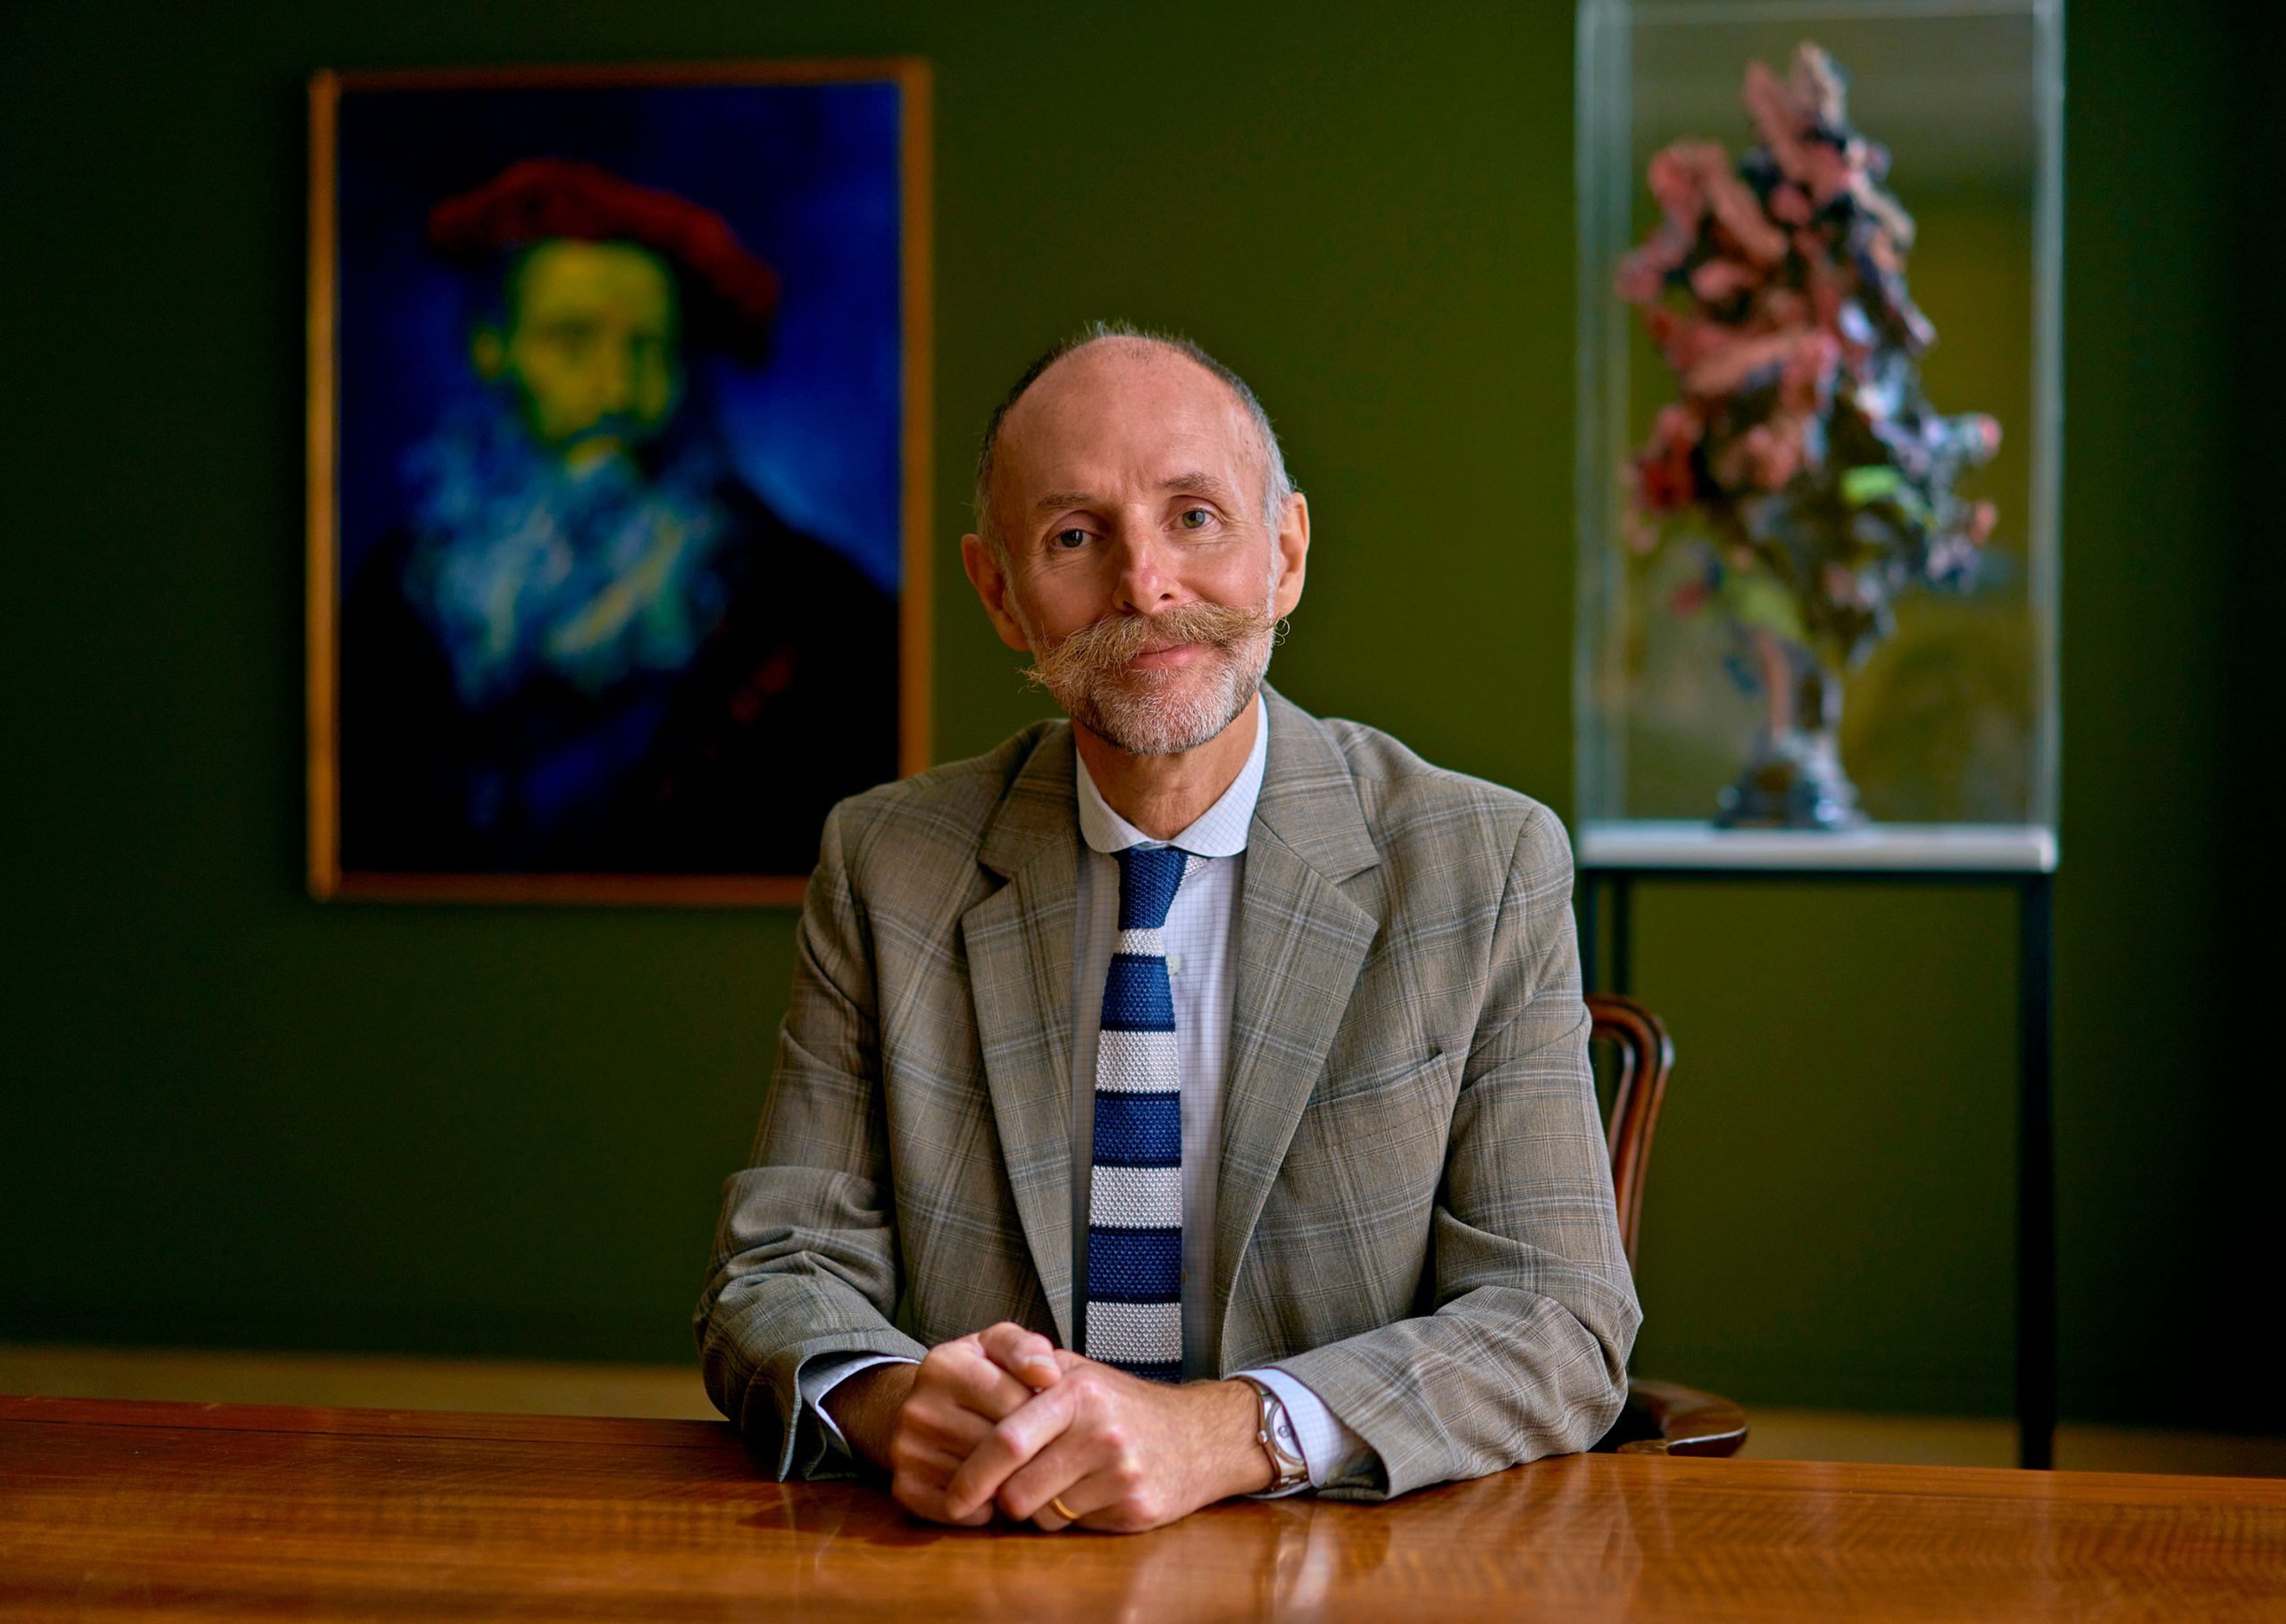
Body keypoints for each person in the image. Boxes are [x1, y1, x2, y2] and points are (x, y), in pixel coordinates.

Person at [695, 323, 1638, 1531]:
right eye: (1075, 536)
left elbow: (1559, 1313)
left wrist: (1220, 1432)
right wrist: (889, 1400)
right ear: (998, 592)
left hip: (1344, 1563)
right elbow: (777, 1270)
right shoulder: (890, 863)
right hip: (980, 1556)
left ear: (1285, 553)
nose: (1145, 587)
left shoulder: (1484, 862)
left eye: (1195, 517)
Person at [338, 159, 896, 877]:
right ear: (491, 349)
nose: (614, 388)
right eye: (571, 341)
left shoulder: (812, 605)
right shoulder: (398, 594)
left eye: (647, 348)